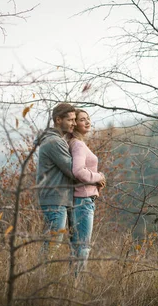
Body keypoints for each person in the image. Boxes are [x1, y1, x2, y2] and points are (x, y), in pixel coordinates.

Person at [36, 102, 77, 262]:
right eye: (71, 120)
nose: (74, 123)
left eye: (75, 120)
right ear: (58, 120)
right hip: (54, 199)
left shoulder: (56, 140)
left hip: (57, 198)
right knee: (53, 242)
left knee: (54, 241)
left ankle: (41, 275)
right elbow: (72, 170)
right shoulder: (54, 142)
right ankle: (39, 275)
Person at [68, 109, 106, 277]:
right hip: (82, 201)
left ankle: (72, 283)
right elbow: (78, 171)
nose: (88, 122)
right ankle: (76, 284)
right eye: (82, 119)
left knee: (78, 246)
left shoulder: (77, 143)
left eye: (88, 118)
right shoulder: (78, 144)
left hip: (82, 200)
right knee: (83, 246)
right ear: (75, 123)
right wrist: (98, 177)